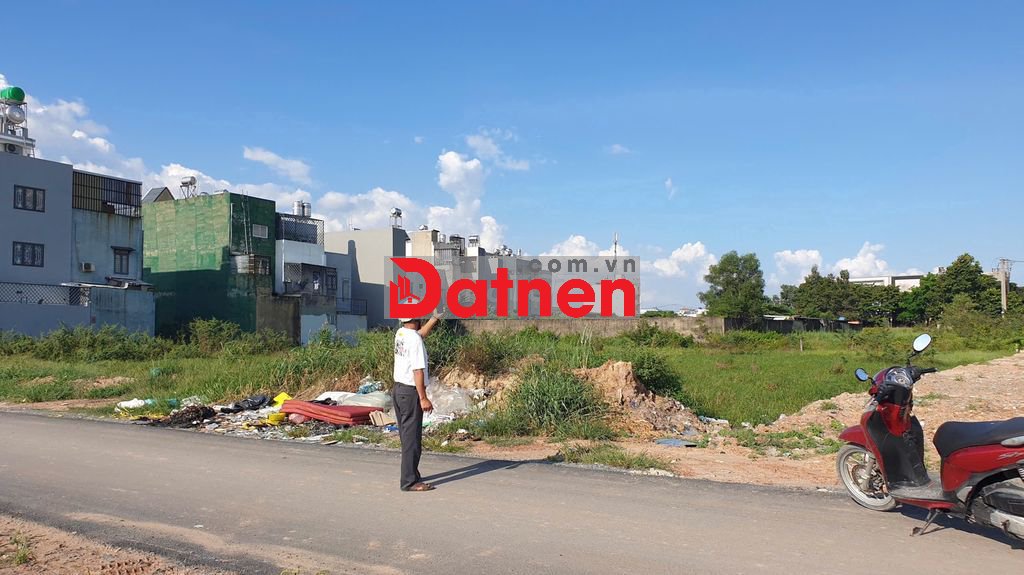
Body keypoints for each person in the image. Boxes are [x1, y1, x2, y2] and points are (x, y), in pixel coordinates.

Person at [392, 310, 442, 491]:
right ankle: (409, 481)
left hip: (399, 390)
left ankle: (411, 474)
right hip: (411, 392)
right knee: (412, 439)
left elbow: (420, 334)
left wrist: (434, 319)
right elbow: (418, 371)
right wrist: (423, 398)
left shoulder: (402, 333)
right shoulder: (414, 340)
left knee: (407, 437)